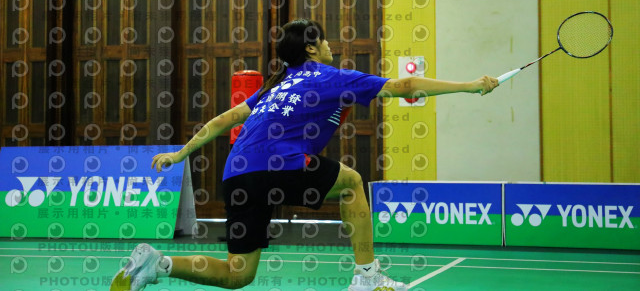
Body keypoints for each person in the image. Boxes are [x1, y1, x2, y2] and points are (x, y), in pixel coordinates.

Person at [110, 19, 498, 291]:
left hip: (237, 175)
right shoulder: (330, 77)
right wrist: (469, 85)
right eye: (325, 41)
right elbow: (404, 86)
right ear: (311, 48)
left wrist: (182, 153)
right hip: (277, 164)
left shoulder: (274, 87)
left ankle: (158, 264)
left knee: (237, 274)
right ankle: (367, 276)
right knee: (352, 183)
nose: (331, 47)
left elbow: (225, 120)